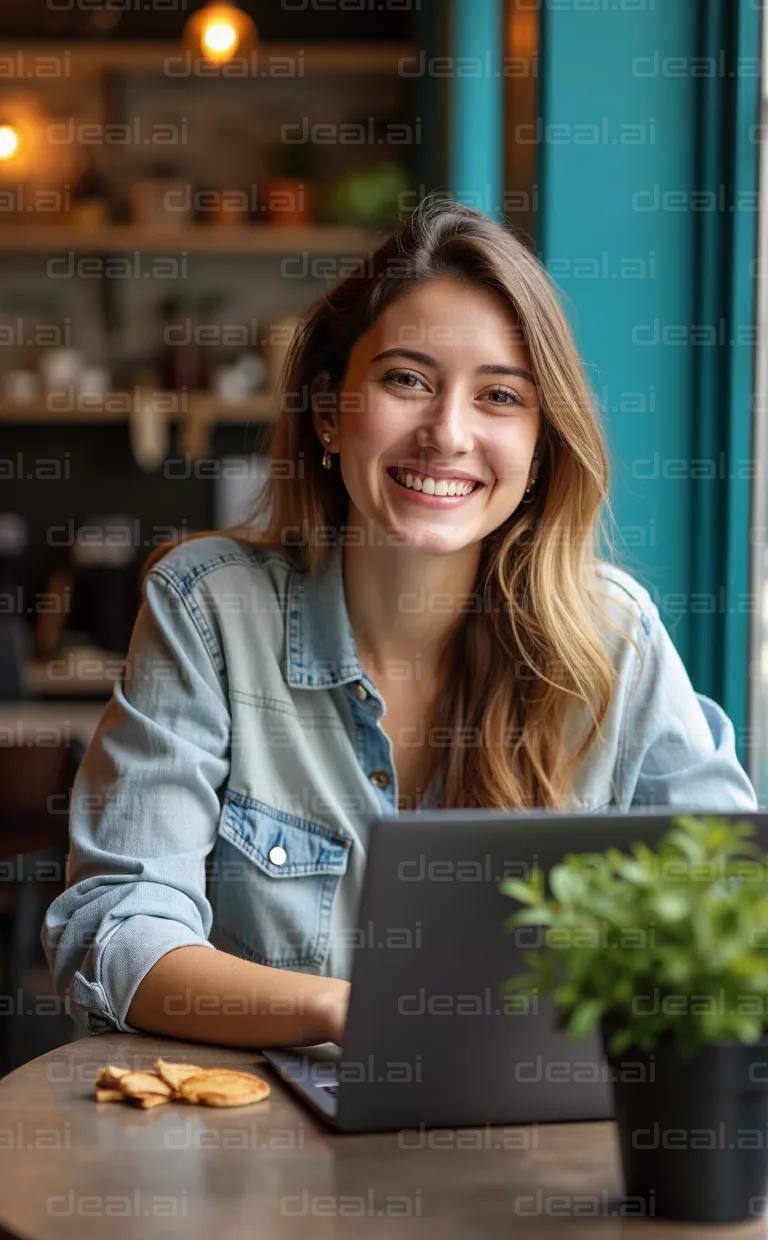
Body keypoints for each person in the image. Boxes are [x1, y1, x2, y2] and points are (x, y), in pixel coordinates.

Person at [43, 200, 756, 1051]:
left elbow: (733, 913)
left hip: (537, 1158)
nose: (446, 433)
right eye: (406, 380)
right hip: (263, 1161)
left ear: (539, 450)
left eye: (499, 396)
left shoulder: (612, 638)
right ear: (328, 411)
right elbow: (115, 932)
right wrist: (350, 1011)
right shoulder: (208, 608)